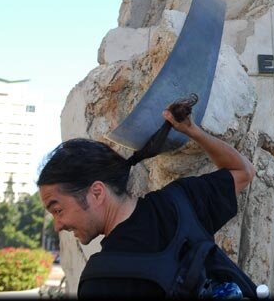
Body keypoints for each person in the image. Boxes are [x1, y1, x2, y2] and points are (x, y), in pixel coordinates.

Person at [37, 98, 255, 298]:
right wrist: (192, 130)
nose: (57, 225)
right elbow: (243, 171)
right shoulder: (180, 202)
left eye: (58, 210)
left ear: (97, 192)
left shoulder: (100, 281)